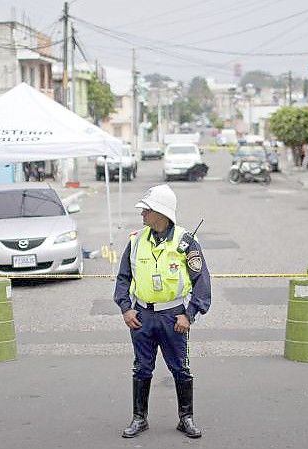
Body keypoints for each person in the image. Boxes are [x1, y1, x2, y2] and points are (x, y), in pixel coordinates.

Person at [114, 184, 211, 439]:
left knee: (181, 368)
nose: (142, 214)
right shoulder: (135, 241)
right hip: (142, 317)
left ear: (161, 213)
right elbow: (123, 277)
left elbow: (201, 282)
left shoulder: (186, 241)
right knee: (141, 368)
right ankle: (139, 418)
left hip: (173, 317)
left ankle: (186, 418)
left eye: (147, 210)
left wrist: (189, 315)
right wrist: (126, 309)